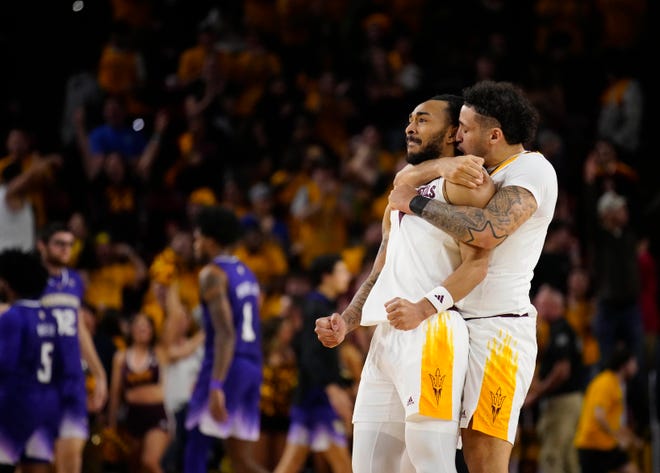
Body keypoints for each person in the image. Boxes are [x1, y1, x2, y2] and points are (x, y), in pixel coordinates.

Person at [315, 93, 495, 473]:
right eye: (410, 120)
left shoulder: (464, 184)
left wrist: (423, 307)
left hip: (433, 330)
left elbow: (479, 262)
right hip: (386, 336)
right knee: (368, 465)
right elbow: (381, 268)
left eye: (423, 120)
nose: (410, 127)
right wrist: (346, 322)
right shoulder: (401, 193)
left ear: (452, 133)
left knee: (431, 463)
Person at [387, 80, 558, 473]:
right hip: (455, 324)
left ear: (494, 135)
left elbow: (486, 231)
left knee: (484, 463)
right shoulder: (475, 170)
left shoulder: (533, 168)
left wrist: (415, 204)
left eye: (465, 128)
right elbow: (403, 176)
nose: (457, 135)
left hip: (499, 331)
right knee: (431, 456)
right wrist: (441, 165)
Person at [183, 205, 268, 473]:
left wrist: (216, 383)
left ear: (210, 239)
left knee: (195, 448)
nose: (195, 244)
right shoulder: (246, 272)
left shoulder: (212, 274)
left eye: (197, 238)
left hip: (225, 365)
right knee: (241, 461)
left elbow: (225, 333)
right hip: (252, 365)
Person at [36, 222, 108, 473]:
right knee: (42, 464)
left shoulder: (75, 281)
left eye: (70, 244)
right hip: (39, 381)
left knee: (71, 461)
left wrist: (99, 373)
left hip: (72, 381)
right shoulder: (29, 280)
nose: (66, 249)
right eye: (59, 243)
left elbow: (80, 330)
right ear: (41, 246)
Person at [274, 253, 354, 473]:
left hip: (309, 399)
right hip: (319, 400)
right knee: (344, 467)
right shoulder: (316, 308)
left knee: (290, 465)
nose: (347, 276)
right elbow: (309, 356)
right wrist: (332, 388)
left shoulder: (323, 305)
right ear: (326, 277)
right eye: (341, 271)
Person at [0, 249, 61, 472]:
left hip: (14, 406)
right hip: (46, 407)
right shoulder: (50, 318)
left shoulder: (12, 317)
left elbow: (4, 366)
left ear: (8, 282)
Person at [524, 285, 583, 473]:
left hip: (562, 403)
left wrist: (538, 392)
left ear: (551, 305)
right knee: (568, 457)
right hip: (570, 401)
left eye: (539, 304)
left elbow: (562, 370)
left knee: (552, 455)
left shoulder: (561, 330)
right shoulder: (559, 329)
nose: (536, 308)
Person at [574, 345, 642, 473]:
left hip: (606, 444)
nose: (636, 367)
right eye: (633, 363)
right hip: (592, 446)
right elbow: (599, 415)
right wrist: (618, 437)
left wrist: (632, 438)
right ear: (624, 365)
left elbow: (614, 421)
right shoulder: (606, 382)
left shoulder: (617, 384)